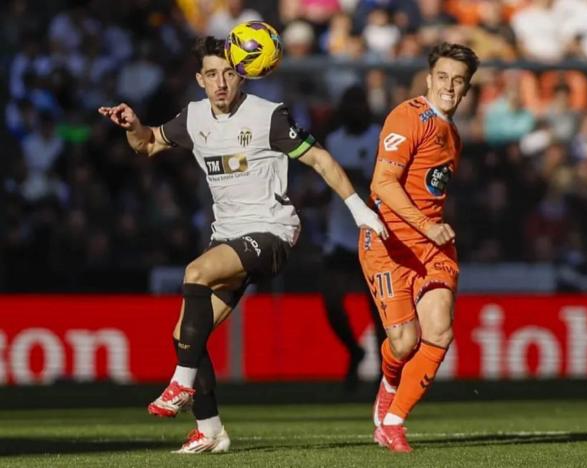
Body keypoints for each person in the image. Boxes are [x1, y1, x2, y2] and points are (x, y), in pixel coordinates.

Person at [98, 36, 386, 454]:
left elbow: (320, 159)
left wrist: (359, 209)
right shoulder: (194, 117)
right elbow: (147, 145)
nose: (221, 83)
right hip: (229, 237)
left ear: (243, 75)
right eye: (212, 74)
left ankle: (180, 385)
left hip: (273, 232)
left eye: (229, 73)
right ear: (199, 79)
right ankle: (210, 429)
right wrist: (133, 126)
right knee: (184, 336)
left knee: (195, 273)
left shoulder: (268, 116)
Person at [358, 42, 479, 453]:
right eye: (442, 77)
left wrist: (432, 229)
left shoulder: (454, 136)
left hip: (431, 246)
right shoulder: (408, 117)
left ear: (466, 90)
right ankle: (390, 382)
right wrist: (427, 224)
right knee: (405, 342)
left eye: (458, 80)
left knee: (441, 329)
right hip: (389, 243)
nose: (449, 86)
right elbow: (382, 184)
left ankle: (393, 422)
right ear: (429, 79)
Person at [321, 85, 387, 390]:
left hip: (373, 233)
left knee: (377, 308)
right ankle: (354, 350)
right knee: (332, 301)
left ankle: (385, 372)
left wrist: (344, 174)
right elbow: (326, 183)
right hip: (340, 235)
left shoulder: (378, 136)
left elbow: (378, 180)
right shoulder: (333, 141)